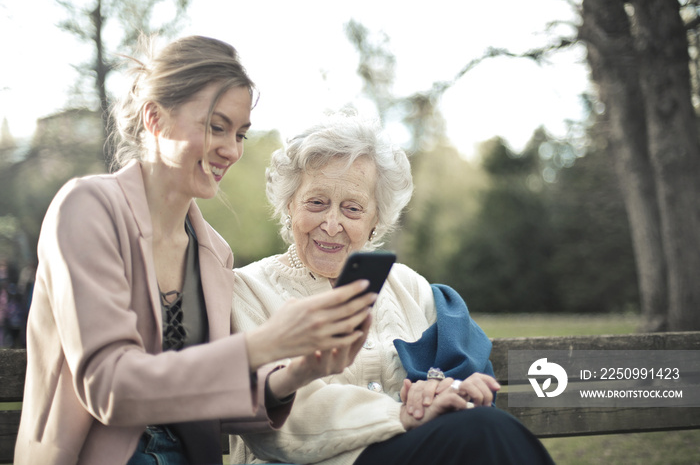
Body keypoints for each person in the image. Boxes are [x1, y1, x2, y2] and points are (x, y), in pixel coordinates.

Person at [14, 36, 375, 465]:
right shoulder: (87, 209)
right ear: (155, 118)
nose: (233, 150)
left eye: (240, 133)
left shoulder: (213, 253)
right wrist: (263, 344)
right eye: (215, 127)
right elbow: (108, 387)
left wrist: (295, 373)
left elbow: (203, 395)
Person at [229, 114, 555, 465]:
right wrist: (401, 415)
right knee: (486, 432)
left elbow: (457, 375)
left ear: (375, 221)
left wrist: (443, 391)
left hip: (422, 453)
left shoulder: (411, 288)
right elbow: (278, 418)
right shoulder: (245, 290)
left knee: (485, 428)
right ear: (290, 205)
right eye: (316, 202)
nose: (332, 223)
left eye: (352, 208)